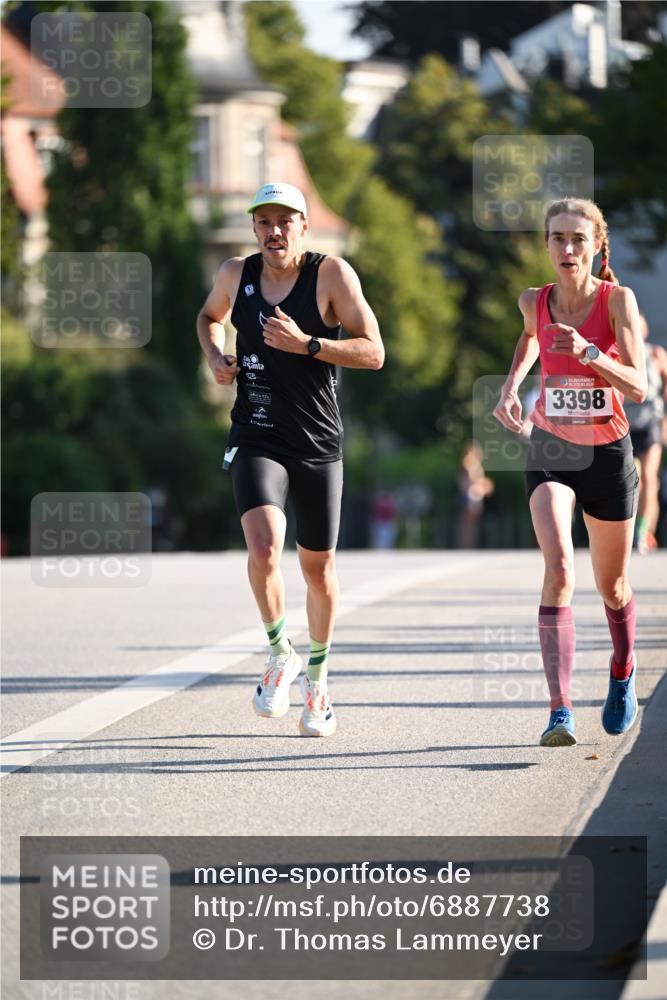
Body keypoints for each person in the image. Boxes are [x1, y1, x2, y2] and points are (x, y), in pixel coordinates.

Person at [196, 182, 384, 737]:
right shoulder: (236, 274)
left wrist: (308, 345)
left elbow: (374, 351)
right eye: (265, 222)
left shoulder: (331, 276)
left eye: (285, 221)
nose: (274, 232)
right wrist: (215, 357)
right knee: (263, 546)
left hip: (317, 443)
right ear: (254, 228)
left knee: (318, 568)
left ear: (304, 225)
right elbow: (208, 317)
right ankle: (280, 651)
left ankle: (317, 680)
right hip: (256, 434)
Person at [493, 197, 647, 748]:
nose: (567, 248)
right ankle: (559, 710)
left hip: (608, 455)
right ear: (547, 245)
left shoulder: (617, 301)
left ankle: (623, 669)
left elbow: (639, 386)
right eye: (557, 238)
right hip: (552, 448)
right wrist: (511, 386)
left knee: (614, 586)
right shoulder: (533, 300)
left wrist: (590, 354)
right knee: (558, 568)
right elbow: (530, 336)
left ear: (597, 245)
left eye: (578, 238)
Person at [624, 315, 667, 554]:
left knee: (650, 477)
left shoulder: (656, 355)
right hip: (625, 425)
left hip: (651, 422)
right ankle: (630, 529)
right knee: (631, 481)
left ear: (646, 330)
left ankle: (642, 532)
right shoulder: (618, 354)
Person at [456, 441, 495, 548]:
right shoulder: (469, 465)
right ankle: (466, 545)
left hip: (475, 497)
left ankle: (468, 545)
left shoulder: (475, 466)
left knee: (470, 524)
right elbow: (468, 481)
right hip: (470, 497)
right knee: (467, 523)